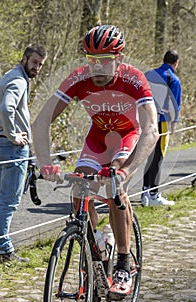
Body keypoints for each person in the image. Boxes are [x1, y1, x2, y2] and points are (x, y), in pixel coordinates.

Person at [32, 25, 159, 298]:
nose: (98, 67)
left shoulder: (133, 80)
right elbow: (41, 121)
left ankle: (124, 262)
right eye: (92, 60)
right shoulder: (79, 78)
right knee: (79, 190)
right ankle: (97, 246)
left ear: (119, 59)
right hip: (98, 139)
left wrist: (126, 171)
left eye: (105, 61)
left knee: (114, 188)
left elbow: (151, 131)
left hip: (126, 136)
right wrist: (45, 163)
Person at [0, 43, 47, 262]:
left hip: (4, 145)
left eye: (40, 65)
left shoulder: (8, 76)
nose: (37, 68)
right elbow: (4, 108)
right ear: (24, 59)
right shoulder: (19, 80)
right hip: (13, 148)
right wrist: (11, 135)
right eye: (34, 63)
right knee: (8, 200)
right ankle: (2, 248)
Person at [141, 50, 182, 206]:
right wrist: (174, 123)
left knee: (148, 155)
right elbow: (174, 105)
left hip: (146, 120)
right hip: (162, 120)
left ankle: (144, 192)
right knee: (159, 156)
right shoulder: (174, 79)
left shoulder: (148, 74)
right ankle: (154, 194)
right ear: (175, 63)